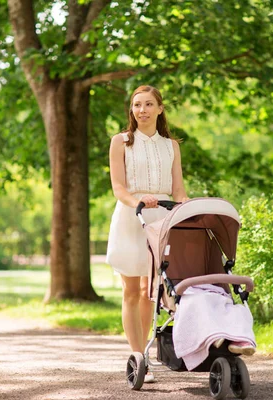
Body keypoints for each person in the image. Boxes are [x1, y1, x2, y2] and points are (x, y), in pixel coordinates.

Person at [106, 85, 189, 383]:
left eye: (148, 104)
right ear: (131, 110)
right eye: (137, 105)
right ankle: (139, 356)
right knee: (131, 290)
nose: (142, 110)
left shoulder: (171, 146)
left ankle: (149, 355)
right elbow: (118, 187)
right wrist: (138, 202)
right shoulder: (121, 142)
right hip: (132, 216)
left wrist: (186, 206)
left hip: (163, 218)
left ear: (160, 109)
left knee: (150, 292)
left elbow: (178, 189)